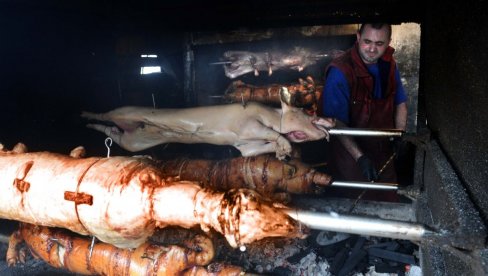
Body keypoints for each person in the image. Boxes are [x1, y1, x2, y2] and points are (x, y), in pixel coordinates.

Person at [322, 23, 408, 188]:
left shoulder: (389, 65)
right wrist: (360, 157)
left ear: (389, 41)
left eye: (379, 44)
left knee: (388, 200)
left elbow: (400, 103)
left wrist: (399, 137)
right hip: (351, 155)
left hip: (383, 151)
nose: (372, 49)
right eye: (367, 41)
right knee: (357, 205)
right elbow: (336, 124)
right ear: (358, 37)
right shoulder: (340, 72)